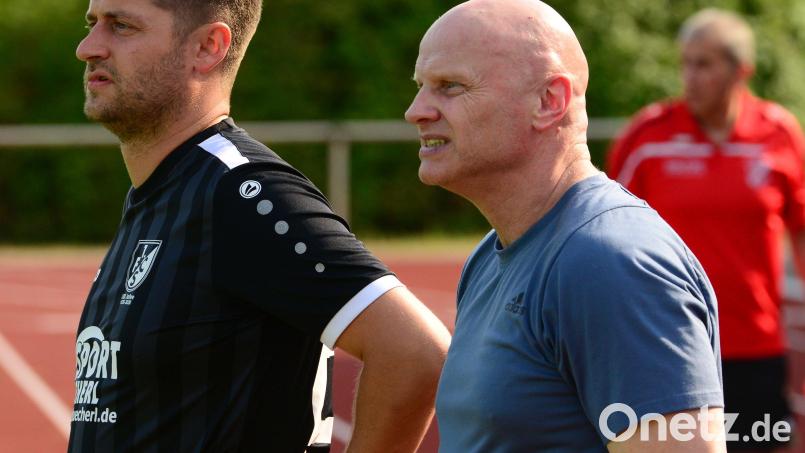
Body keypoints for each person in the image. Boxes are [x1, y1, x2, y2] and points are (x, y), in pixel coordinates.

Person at [69, 0, 451, 451]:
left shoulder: (242, 192)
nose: (87, 47)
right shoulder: (158, 193)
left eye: (122, 26)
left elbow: (414, 353)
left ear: (208, 47)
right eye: (93, 23)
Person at [405, 0, 726, 451]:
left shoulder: (611, 262)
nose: (416, 110)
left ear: (548, 101)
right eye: (421, 87)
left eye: (449, 86)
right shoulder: (493, 253)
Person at [607, 9, 805, 452]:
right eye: (685, 63)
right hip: (665, 345)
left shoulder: (779, 135)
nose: (689, 77)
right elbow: (605, 235)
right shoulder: (647, 137)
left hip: (756, 345)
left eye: (704, 64)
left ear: (742, 71)